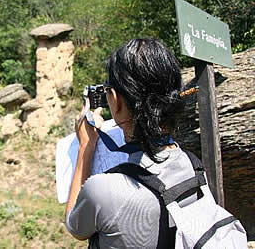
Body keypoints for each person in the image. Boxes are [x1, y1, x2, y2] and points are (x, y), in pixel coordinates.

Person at [65, 38, 199, 248]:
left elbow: (74, 225)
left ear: (116, 101)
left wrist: (85, 147)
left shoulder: (103, 189)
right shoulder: (193, 164)